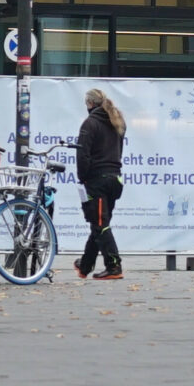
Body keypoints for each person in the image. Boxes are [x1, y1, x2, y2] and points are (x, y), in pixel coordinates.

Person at [73, 87, 126, 280]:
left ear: (90, 104)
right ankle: (85, 266)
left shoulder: (90, 123)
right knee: (99, 223)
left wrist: (83, 177)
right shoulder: (117, 121)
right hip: (115, 179)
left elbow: (83, 154)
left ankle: (114, 265)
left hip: (97, 180)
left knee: (100, 224)